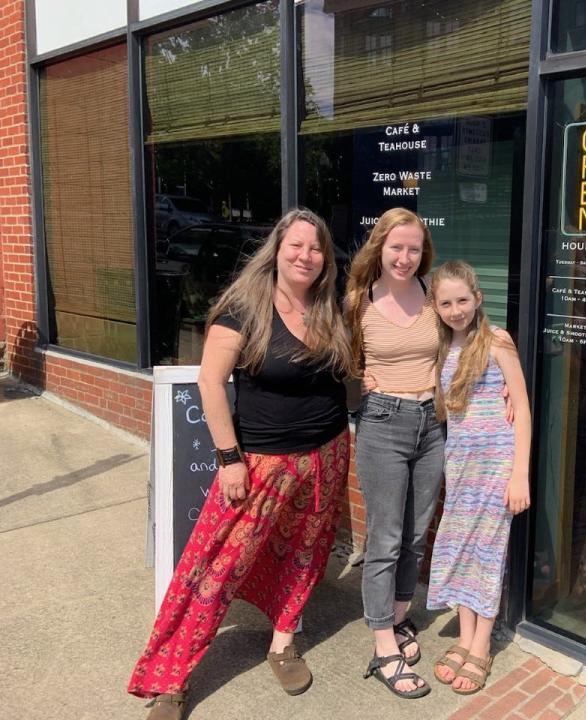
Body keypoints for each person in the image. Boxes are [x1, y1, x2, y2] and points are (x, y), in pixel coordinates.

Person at [128, 209, 353, 720]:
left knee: (307, 552)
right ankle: (171, 678)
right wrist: (229, 459)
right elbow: (211, 383)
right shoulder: (244, 307)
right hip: (261, 460)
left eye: (316, 248)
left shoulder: (329, 307)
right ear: (276, 249)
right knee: (212, 568)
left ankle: (282, 641)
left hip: (328, 452)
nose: (306, 256)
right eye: (296, 245)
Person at [344, 207, 444, 698]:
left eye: (414, 248)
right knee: (384, 538)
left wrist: (506, 379)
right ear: (378, 248)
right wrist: (355, 387)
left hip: (432, 424)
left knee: (416, 535)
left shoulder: (433, 294)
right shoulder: (356, 302)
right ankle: (384, 646)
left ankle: (400, 618)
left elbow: (470, 339)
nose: (405, 257)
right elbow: (336, 362)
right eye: (396, 247)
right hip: (383, 423)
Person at [427, 260, 531, 695]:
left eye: (462, 300)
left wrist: (520, 474)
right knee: (462, 547)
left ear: (478, 298)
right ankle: (465, 635)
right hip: (461, 464)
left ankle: (482, 644)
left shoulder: (497, 342)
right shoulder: (439, 348)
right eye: (446, 302)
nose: (456, 310)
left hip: (497, 464)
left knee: (488, 552)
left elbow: (522, 408)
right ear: (435, 305)